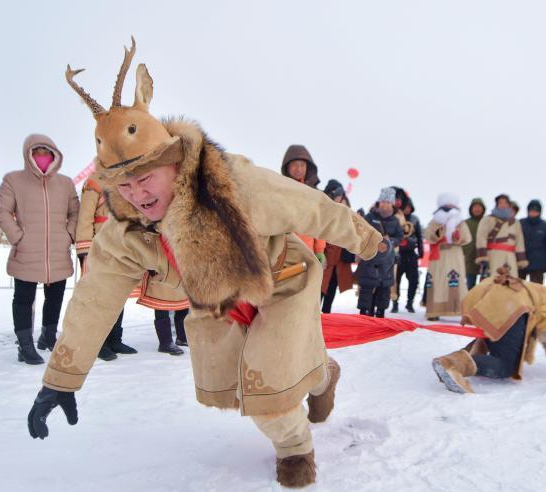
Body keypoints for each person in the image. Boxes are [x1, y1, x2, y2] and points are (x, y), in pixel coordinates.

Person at [27, 41, 382, 489]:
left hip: (281, 279)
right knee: (238, 382)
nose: (136, 194)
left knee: (268, 384)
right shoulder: (127, 229)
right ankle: (322, 373)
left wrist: (368, 242)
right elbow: (94, 298)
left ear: (172, 161)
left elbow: (314, 208)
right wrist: (61, 378)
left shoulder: (233, 182)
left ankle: (296, 448)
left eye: (144, 179)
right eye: (124, 185)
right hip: (216, 298)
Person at [431, 268, 546, 394]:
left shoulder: (544, 295)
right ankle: (452, 364)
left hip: (484, 293)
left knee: (495, 338)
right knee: (506, 366)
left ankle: (454, 360)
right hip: (511, 303)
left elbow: (542, 335)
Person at [0, 135, 79, 364]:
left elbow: (75, 211)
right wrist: (17, 237)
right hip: (26, 251)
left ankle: (48, 336)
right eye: (37, 152)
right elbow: (3, 211)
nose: (42, 156)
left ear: (54, 155)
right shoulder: (13, 180)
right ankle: (25, 346)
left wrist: (69, 235)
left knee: (54, 297)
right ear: (28, 154)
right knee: (23, 298)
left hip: (58, 251)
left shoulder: (65, 183)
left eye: (46, 152)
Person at [76, 173, 138, 360]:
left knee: (118, 293)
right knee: (99, 297)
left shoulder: (127, 179)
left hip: (122, 244)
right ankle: (98, 342)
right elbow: (85, 217)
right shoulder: (94, 182)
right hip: (99, 245)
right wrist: (84, 248)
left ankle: (114, 339)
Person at [423, 193, 471, 321]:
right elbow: (428, 235)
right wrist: (439, 232)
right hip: (439, 255)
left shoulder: (460, 221)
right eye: (446, 205)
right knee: (437, 281)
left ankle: (459, 310)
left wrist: (458, 236)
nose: (449, 207)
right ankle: (434, 311)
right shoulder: (435, 221)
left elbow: (467, 237)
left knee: (457, 280)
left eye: (451, 205)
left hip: (455, 254)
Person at [357, 188, 402, 317]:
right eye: (383, 201)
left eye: (388, 202)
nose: (385, 205)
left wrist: (390, 241)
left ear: (392, 204)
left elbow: (399, 237)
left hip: (387, 261)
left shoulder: (395, 221)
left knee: (384, 289)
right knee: (367, 288)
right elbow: (361, 231)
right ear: (379, 202)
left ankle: (381, 314)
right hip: (370, 258)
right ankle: (364, 314)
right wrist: (374, 240)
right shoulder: (370, 217)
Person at [281, 145, 326, 266]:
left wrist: (320, 250)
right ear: (287, 167)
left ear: (308, 167)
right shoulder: (280, 190)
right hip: (284, 252)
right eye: (295, 164)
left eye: (302, 165)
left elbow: (320, 223)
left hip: (308, 252)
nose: (299, 169)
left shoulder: (314, 194)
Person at [320, 180, 355, 314]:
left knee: (331, 289)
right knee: (319, 289)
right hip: (326, 257)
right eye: (339, 197)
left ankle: (326, 316)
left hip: (339, 261)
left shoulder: (348, 214)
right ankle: (316, 317)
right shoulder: (325, 209)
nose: (341, 200)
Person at [475, 193, 528, 277]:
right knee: (494, 280)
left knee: (511, 281)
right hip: (493, 255)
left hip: (510, 257)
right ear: (497, 205)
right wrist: (483, 257)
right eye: (500, 203)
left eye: (505, 203)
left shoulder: (515, 222)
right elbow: (481, 237)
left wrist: (521, 259)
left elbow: (519, 241)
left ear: (509, 205)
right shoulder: (488, 219)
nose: (503, 205)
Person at [393, 192, 422, 313]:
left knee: (414, 279)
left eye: (409, 207)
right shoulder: (396, 218)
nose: (407, 209)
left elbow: (419, 236)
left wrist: (420, 250)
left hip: (411, 253)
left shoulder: (415, 219)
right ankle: (395, 302)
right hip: (399, 253)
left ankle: (410, 303)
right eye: (405, 207)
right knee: (396, 279)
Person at [518, 199, 546, 284]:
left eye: (536, 211)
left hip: (538, 264)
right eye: (531, 210)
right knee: (518, 289)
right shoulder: (520, 224)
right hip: (521, 261)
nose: (533, 213)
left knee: (536, 290)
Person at [463, 198, 486, 290]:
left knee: (484, 286)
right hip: (469, 258)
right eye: (475, 207)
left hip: (484, 257)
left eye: (479, 207)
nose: (477, 209)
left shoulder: (486, 221)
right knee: (470, 286)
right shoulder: (466, 223)